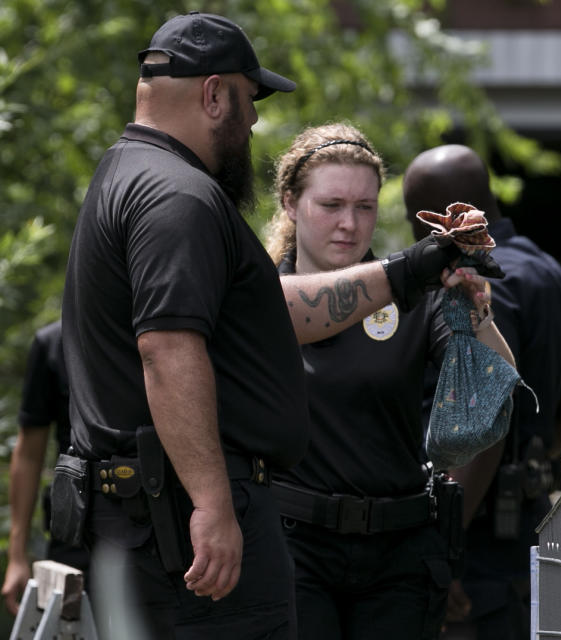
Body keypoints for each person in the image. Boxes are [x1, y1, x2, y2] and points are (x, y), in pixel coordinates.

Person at [60, 13, 466, 639]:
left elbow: (271, 316)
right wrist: (213, 502)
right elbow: (167, 350)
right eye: (249, 100)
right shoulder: (179, 198)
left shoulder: (133, 175)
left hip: (160, 519)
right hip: (184, 527)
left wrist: (414, 269)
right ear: (214, 93)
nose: (253, 122)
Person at [263, 123, 515, 640]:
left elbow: (496, 390)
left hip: (398, 553)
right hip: (293, 547)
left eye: (365, 207)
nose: (349, 225)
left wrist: (478, 314)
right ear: (290, 203)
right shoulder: (260, 296)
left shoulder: (413, 294)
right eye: (331, 205)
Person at [403, 144, 561, 640]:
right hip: (525, 533)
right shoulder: (545, 271)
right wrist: (532, 460)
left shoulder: (481, 281)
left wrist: (442, 554)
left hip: (472, 548)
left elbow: (486, 416)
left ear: (437, 222)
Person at [2, 320, 89, 615]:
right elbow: (28, 455)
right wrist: (17, 555)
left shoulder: (156, 330)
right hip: (74, 528)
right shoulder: (52, 343)